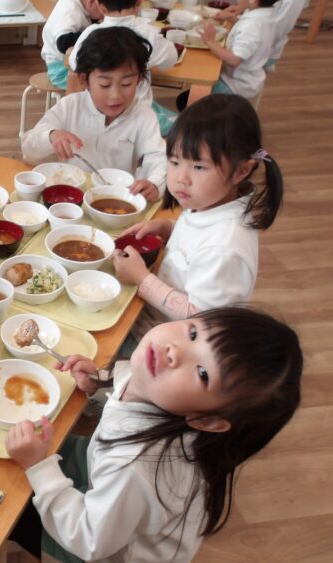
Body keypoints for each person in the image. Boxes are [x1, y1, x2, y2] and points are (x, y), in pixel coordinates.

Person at [7, 307, 303, 563]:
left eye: (202, 373)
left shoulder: (135, 467)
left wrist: (39, 466)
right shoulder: (150, 379)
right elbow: (125, 401)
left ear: (207, 420)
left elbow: (88, 537)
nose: (175, 351)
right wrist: (97, 387)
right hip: (109, 481)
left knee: (11, 509)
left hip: (106, 546)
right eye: (193, 333)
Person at [114, 94, 283, 341]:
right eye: (174, 162)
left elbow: (202, 322)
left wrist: (142, 279)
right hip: (151, 320)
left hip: (171, 345)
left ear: (241, 171)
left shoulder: (225, 248)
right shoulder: (208, 202)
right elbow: (195, 240)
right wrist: (166, 227)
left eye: (199, 167)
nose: (181, 178)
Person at [22, 27, 167, 202]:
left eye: (127, 84)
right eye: (105, 85)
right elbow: (28, 150)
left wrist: (155, 184)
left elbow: (158, 159)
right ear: (84, 80)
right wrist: (51, 136)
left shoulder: (144, 116)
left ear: (139, 80)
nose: (115, 95)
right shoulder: (70, 106)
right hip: (70, 197)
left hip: (116, 200)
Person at [194, 0, 278, 101]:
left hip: (235, 85)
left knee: (197, 89)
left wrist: (210, 41)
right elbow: (249, 36)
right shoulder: (266, 15)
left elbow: (234, 60)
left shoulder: (251, 26)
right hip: (247, 79)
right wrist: (231, 18)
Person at [215, 0, 306, 69]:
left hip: (256, 56)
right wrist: (242, 10)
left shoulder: (253, 27)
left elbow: (275, 30)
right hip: (250, 46)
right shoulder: (261, 17)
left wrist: (244, 22)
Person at [41, 0, 103, 89]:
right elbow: (63, 42)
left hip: (62, 66)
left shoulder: (79, 6)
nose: (104, 16)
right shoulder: (70, 9)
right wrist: (94, 33)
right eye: (103, 12)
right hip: (61, 71)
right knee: (101, 81)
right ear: (91, 2)